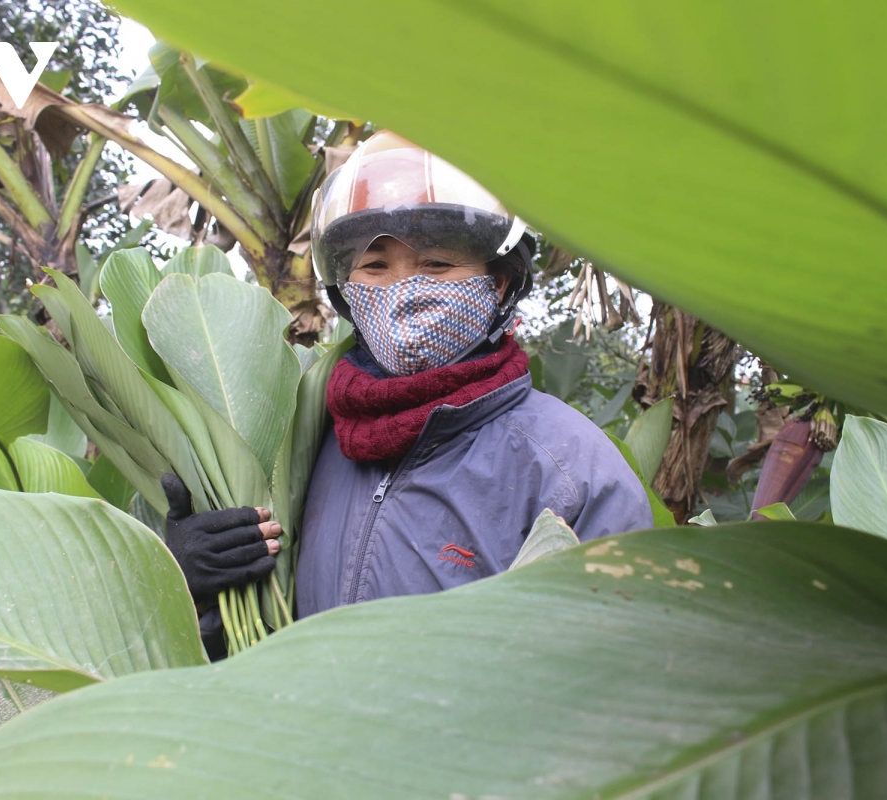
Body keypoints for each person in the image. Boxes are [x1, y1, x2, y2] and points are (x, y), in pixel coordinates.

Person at [163, 132, 652, 660]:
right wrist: (185, 581)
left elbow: (614, 673)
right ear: (345, 290)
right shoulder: (303, 431)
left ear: (501, 283)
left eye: (436, 264)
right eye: (375, 267)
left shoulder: (568, 469)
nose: (403, 289)